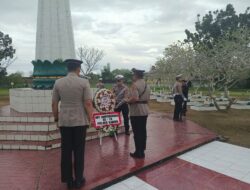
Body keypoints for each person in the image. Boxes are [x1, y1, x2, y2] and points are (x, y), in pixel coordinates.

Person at [52, 59, 94, 189]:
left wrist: (56, 119)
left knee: (66, 151)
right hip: (80, 121)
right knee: (79, 151)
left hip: (64, 121)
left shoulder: (58, 82)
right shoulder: (83, 82)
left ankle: (68, 180)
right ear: (78, 69)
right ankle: (79, 179)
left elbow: (54, 104)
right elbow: (88, 103)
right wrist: (90, 118)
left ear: (67, 68)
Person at [126, 68, 150, 159]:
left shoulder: (135, 85)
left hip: (136, 111)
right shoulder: (147, 85)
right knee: (143, 131)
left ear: (136, 75)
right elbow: (148, 98)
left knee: (137, 132)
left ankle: (138, 152)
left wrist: (127, 101)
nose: (133, 76)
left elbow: (135, 98)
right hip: (145, 110)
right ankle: (142, 151)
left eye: (133, 75)